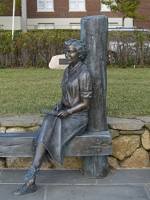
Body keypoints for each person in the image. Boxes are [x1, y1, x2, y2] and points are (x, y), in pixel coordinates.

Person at [13, 39, 92, 196]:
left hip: (78, 117)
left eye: (71, 51)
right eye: (66, 50)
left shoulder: (85, 74)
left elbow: (85, 104)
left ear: (80, 54)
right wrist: (60, 104)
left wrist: (68, 112)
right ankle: (32, 175)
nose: (67, 54)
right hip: (65, 112)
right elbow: (67, 96)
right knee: (48, 120)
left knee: (50, 124)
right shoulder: (67, 70)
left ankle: (33, 173)